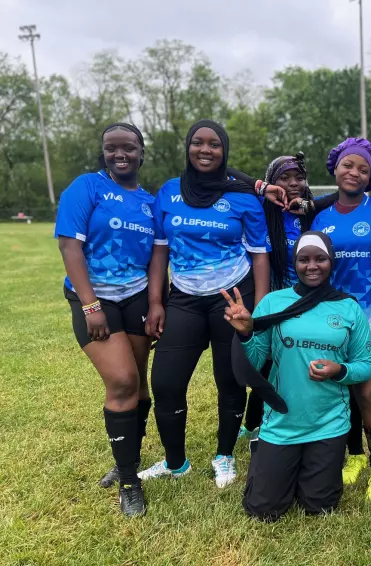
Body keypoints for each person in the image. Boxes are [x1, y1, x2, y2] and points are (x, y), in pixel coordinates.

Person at [139, 120, 271, 489]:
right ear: (188, 147)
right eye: (198, 142)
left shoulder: (243, 196)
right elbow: (160, 249)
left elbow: (260, 255)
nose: (205, 150)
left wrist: (257, 308)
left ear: (224, 150)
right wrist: (156, 301)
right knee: (165, 382)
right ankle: (175, 462)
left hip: (232, 297)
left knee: (230, 380)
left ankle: (224, 456)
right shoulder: (168, 192)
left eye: (214, 144)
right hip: (183, 298)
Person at [225, 231, 371, 521]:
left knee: (319, 507)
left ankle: (310, 467)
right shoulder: (273, 302)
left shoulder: (349, 308)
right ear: (295, 263)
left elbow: (365, 365)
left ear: (331, 262)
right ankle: (267, 455)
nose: (312, 265)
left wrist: (339, 370)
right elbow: (255, 363)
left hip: (329, 423)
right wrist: (245, 333)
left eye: (320, 259)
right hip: (282, 423)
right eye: (304, 259)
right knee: (263, 510)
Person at [54, 122, 154, 517]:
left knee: (140, 382)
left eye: (128, 147)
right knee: (122, 381)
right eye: (112, 148)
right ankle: (130, 482)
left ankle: (126, 455)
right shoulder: (87, 187)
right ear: (104, 153)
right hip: (94, 297)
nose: (120, 154)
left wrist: (156, 301)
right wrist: (90, 304)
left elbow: (157, 253)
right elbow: (69, 246)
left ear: (141, 152)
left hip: (137, 296)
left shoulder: (148, 200)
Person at [311, 138, 371, 501]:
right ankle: (353, 456)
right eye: (348, 165)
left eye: (363, 169)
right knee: (340, 393)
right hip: (331, 321)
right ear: (335, 168)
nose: (354, 172)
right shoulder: (321, 218)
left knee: (368, 394)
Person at [238, 153, 338, 442]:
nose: (293, 183)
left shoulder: (311, 213)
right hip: (271, 302)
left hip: (309, 302)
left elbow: (347, 194)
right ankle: (253, 423)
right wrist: (261, 187)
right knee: (266, 364)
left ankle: (308, 419)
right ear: (272, 181)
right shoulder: (260, 208)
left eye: (298, 177)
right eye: (284, 177)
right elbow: (229, 174)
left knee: (297, 363)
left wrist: (310, 204)